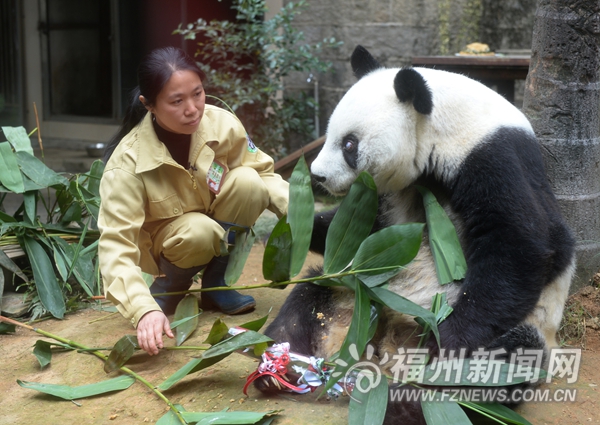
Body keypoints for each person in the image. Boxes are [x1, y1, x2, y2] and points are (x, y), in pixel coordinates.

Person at [98, 47, 288, 356]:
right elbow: (116, 245)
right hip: (174, 242)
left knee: (249, 183)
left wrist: (302, 216)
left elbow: (263, 172)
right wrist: (141, 309)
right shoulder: (126, 164)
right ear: (149, 105)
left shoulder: (221, 123)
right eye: (177, 101)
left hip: (215, 222)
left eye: (197, 94)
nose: (193, 109)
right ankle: (169, 289)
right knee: (199, 230)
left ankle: (215, 286)